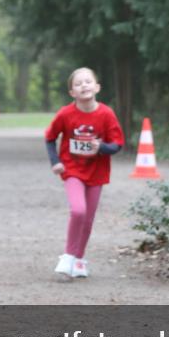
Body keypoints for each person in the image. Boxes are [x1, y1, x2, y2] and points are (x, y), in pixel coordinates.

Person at [45, 67, 125, 279]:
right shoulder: (65, 114)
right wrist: (55, 162)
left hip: (97, 172)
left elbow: (117, 144)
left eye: (88, 81)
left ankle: (79, 259)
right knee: (78, 211)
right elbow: (50, 137)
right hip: (72, 169)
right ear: (72, 92)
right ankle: (68, 257)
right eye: (78, 84)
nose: (84, 86)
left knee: (88, 218)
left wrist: (101, 148)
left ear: (97, 87)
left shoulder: (106, 114)